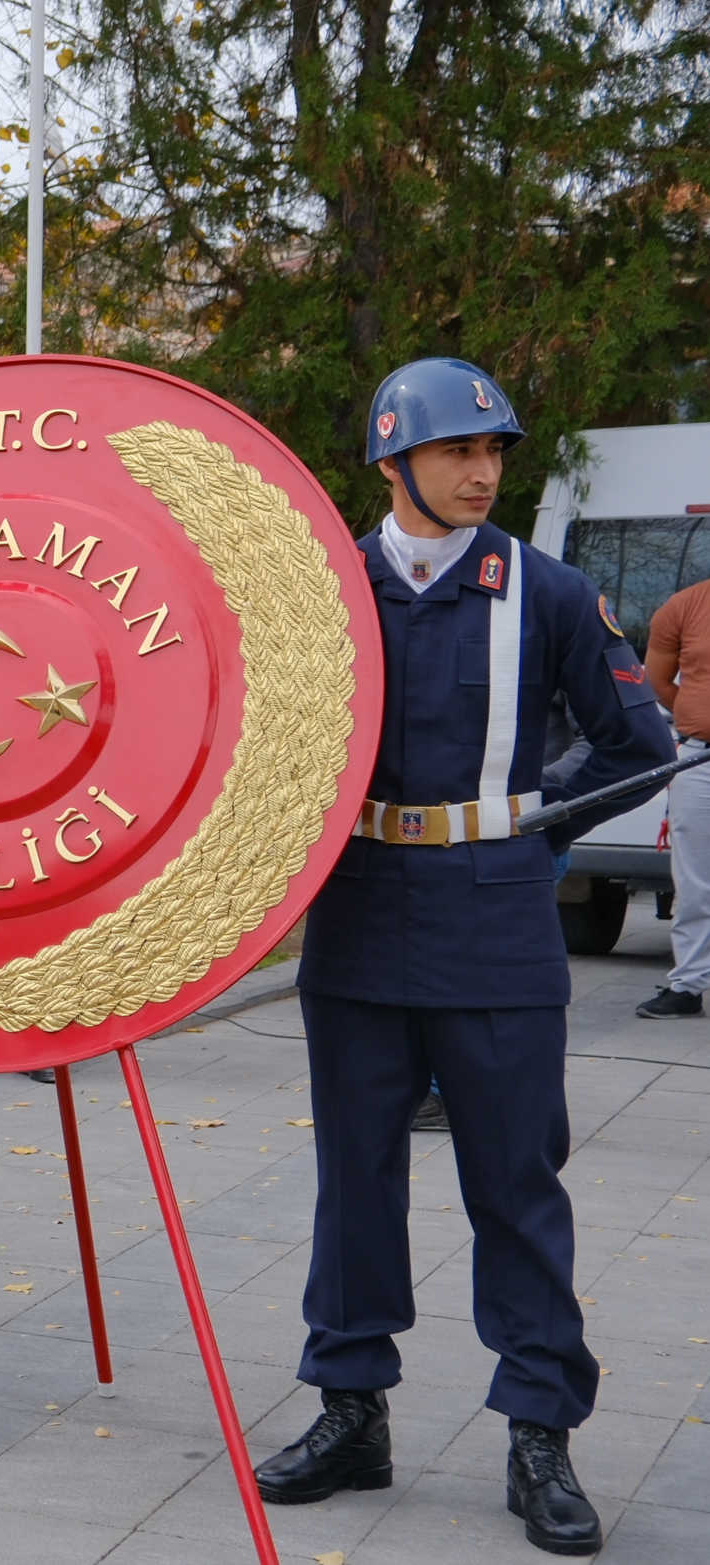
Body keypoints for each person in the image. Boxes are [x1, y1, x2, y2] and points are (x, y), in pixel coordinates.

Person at [252, 359, 669, 1556]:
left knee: (515, 1187)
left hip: (495, 929)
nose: (483, 472)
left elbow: (636, 744)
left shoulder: (547, 590)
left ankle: (539, 1431)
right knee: (354, 1180)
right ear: (393, 463)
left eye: (493, 452)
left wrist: (533, 833)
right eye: (457, 452)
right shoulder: (322, 589)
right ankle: (350, 1409)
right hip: (358, 920)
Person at [638, 572, 710, 1022]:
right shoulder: (684, 606)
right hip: (700, 759)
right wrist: (696, 712)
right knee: (694, 881)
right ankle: (687, 985)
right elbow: (657, 680)